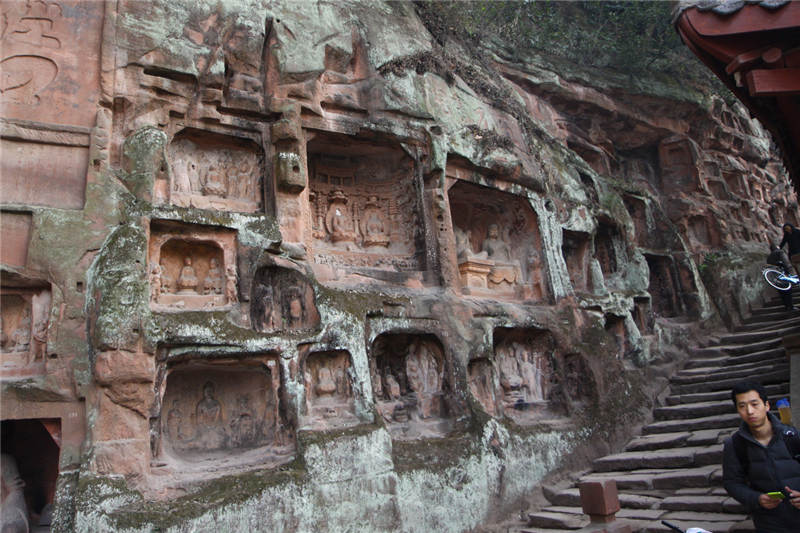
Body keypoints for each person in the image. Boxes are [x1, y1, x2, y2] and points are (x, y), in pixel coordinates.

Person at [722, 380, 800, 532]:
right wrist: (756, 499)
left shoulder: (792, 436)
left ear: (767, 405)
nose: (749, 411)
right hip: (769, 522)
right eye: (742, 406)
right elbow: (732, 483)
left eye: (754, 404)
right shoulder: (735, 444)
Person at [766, 244, 795, 311]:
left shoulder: (769, 257)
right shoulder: (780, 252)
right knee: (788, 291)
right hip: (782, 274)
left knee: (782, 292)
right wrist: (788, 271)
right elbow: (785, 262)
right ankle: (791, 306)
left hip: (775, 277)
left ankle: (787, 306)